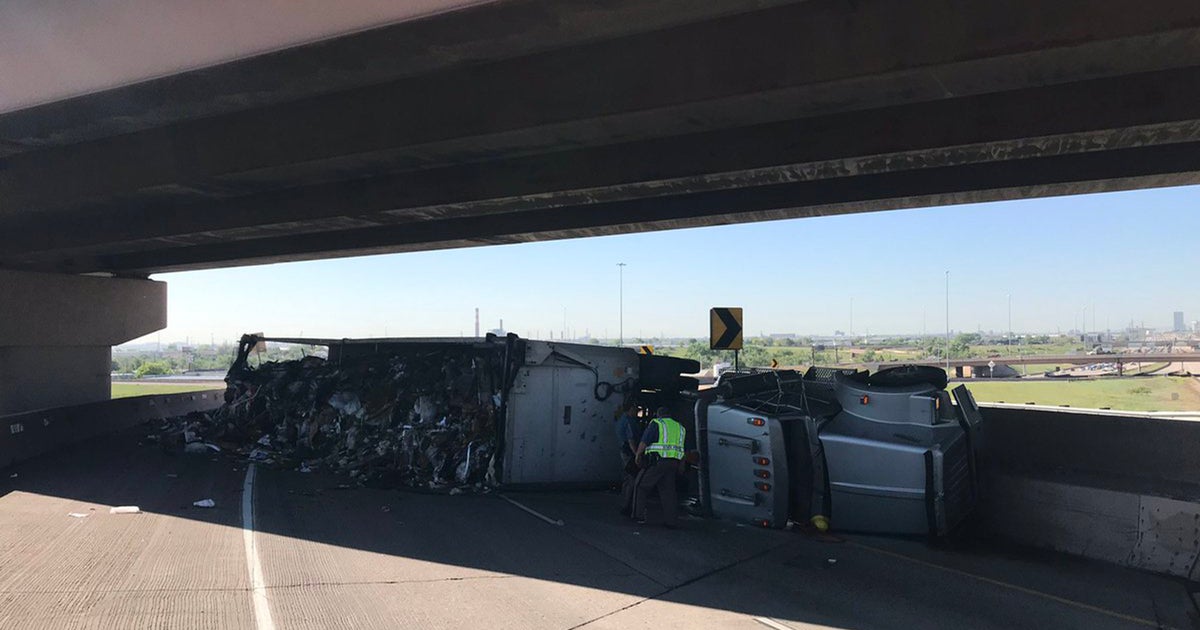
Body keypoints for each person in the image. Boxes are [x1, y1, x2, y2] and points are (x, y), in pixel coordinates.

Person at [632, 405, 687, 528]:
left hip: (657, 462)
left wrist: (638, 456)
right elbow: (682, 449)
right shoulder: (680, 427)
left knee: (641, 486)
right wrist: (681, 465)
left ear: (658, 414)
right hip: (673, 463)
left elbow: (644, 442)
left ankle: (638, 515)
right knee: (668, 492)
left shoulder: (657, 423)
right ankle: (671, 521)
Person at [615, 399, 642, 515]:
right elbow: (631, 440)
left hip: (624, 451)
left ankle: (625, 503)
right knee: (631, 479)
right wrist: (637, 454)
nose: (636, 412)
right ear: (631, 409)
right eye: (635, 410)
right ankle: (628, 505)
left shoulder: (621, 420)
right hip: (629, 453)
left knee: (627, 478)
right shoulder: (629, 421)